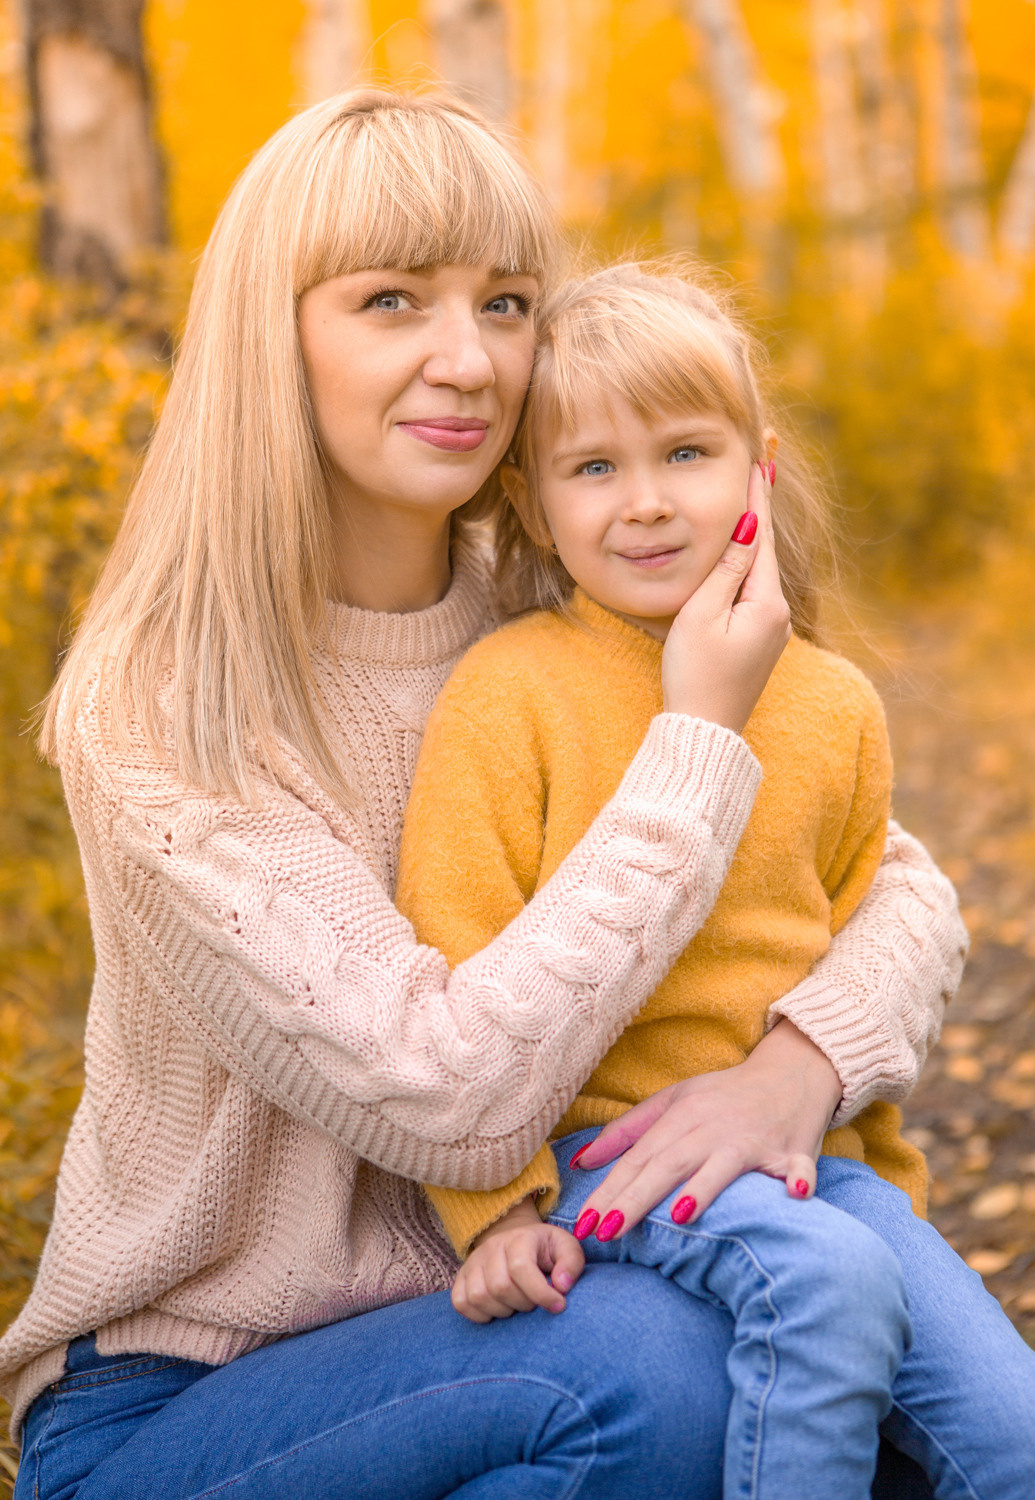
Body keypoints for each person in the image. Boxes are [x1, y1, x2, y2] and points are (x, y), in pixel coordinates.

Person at [0, 90, 963, 1499]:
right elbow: (449, 1102)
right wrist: (694, 739)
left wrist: (792, 1069)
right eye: (391, 300)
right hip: (186, 1405)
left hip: (515, 1308)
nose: (466, 359)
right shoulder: (165, 703)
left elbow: (901, 885)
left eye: (506, 302)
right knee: (675, 1373)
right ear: (272, 340)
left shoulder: (555, 615)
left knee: (826, 1384)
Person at [396, 261, 1035, 1500]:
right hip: (609, 1163)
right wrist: (497, 1213)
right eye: (593, 469)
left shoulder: (833, 702)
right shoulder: (508, 695)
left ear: (760, 467)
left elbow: (859, 945)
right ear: (529, 507)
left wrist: (882, 1198)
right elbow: (454, 956)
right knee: (821, 1290)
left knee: (1011, 1436)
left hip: (814, 1170)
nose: (644, 504)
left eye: (686, 453)